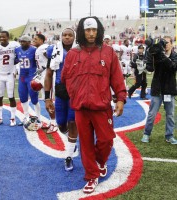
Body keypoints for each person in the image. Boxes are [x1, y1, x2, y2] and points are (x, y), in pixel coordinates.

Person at [61, 17, 126, 194]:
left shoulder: (108, 52)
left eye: (94, 30)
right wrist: (74, 94)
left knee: (106, 140)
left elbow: (117, 78)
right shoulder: (73, 54)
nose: (91, 33)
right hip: (81, 108)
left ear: (99, 31)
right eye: (88, 30)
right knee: (86, 144)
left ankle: (99, 162)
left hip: (102, 107)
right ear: (82, 31)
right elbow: (65, 77)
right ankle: (91, 176)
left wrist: (120, 98)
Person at [44, 28, 78, 171]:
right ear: (61, 36)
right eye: (65, 35)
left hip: (76, 92)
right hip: (60, 91)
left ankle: (69, 156)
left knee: (72, 123)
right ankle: (72, 142)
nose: (67, 37)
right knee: (61, 125)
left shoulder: (80, 49)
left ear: (74, 37)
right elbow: (49, 74)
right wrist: (47, 98)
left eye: (70, 35)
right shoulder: (54, 50)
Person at [141, 36, 177, 144]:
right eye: (163, 42)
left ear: (171, 44)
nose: (165, 44)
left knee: (170, 114)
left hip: (169, 88)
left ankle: (169, 135)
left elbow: (172, 67)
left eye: (167, 42)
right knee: (152, 113)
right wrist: (150, 53)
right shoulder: (157, 54)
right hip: (157, 88)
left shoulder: (175, 56)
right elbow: (150, 68)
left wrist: (161, 55)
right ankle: (146, 133)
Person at [33, 33, 58, 133]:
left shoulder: (44, 47)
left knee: (49, 100)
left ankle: (54, 123)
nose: (33, 40)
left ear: (41, 40)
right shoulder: (38, 48)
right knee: (45, 100)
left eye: (36, 39)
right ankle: (52, 121)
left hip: (48, 75)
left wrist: (48, 66)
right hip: (43, 74)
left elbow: (51, 52)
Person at [15, 35, 41, 124]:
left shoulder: (34, 50)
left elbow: (39, 62)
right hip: (22, 76)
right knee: (22, 97)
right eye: (21, 41)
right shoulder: (17, 49)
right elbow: (15, 60)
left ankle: (38, 118)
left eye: (24, 41)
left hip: (31, 76)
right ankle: (26, 117)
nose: (22, 43)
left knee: (34, 98)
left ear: (29, 42)